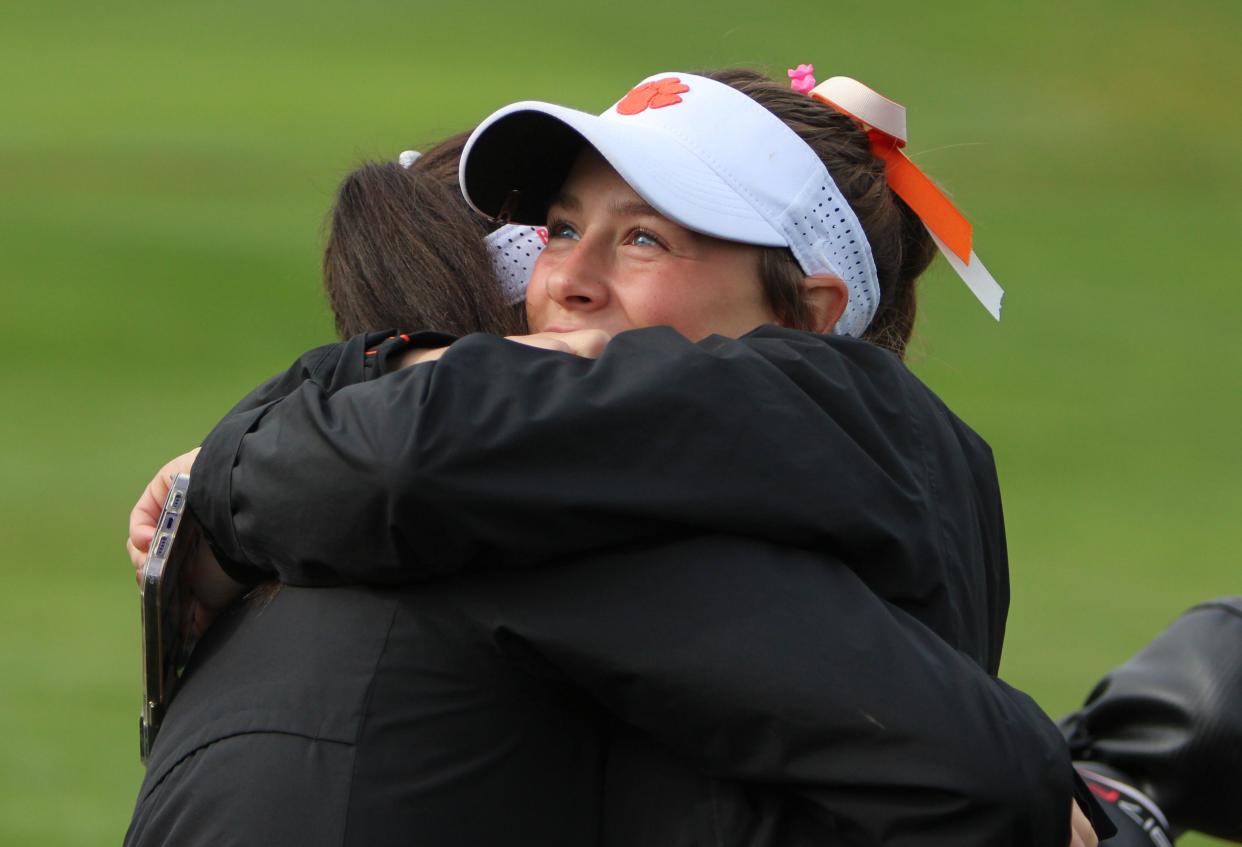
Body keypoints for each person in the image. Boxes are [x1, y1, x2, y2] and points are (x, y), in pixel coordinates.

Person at [128, 69, 1106, 845]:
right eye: (558, 228)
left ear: (809, 318)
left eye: (643, 237)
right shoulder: (573, 476)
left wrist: (226, 487)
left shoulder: (544, 496)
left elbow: (399, 465)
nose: (568, 279)